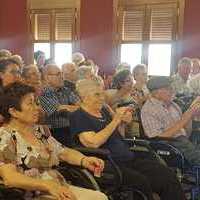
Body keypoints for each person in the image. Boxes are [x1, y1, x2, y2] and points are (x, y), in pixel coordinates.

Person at [69, 77, 185, 200]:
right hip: (106, 164)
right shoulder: (78, 116)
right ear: (83, 96)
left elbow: (119, 137)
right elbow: (93, 143)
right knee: (142, 182)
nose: (102, 98)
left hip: (127, 158)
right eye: (97, 94)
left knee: (166, 174)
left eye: (102, 93)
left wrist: (123, 123)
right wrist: (116, 120)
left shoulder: (103, 111)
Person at [0, 82, 108, 200]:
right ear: (13, 111)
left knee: (99, 197)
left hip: (58, 187)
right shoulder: (5, 136)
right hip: (32, 193)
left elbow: (63, 152)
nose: (37, 108)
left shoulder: (39, 131)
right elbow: (10, 177)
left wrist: (84, 160)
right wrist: (46, 185)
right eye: (30, 104)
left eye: (36, 103)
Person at [141, 76, 200, 165]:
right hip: (169, 146)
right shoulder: (149, 109)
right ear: (156, 93)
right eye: (168, 88)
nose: (172, 90)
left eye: (171, 87)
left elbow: (186, 132)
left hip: (184, 142)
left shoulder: (174, 105)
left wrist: (190, 116)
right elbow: (157, 139)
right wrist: (185, 118)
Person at [39, 64, 80, 145]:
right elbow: (59, 109)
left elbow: (81, 104)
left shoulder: (65, 89)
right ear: (47, 77)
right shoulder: (44, 92)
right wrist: (75, 108)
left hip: (71, 128)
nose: (62, 77)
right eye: (58, 74)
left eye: (61, 73)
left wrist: (75, 107)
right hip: (56, 132)